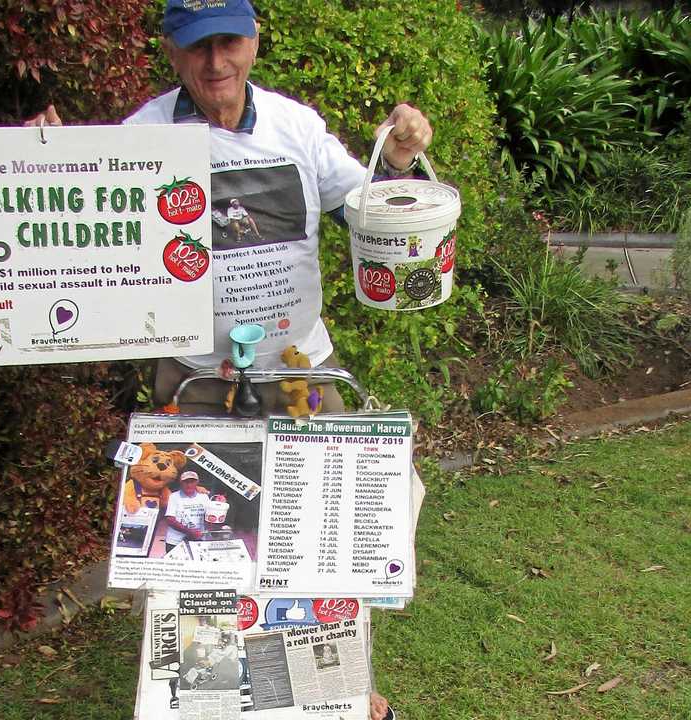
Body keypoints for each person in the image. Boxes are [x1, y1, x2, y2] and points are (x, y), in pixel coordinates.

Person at [28, 0, 431, 419]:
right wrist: (53, 169)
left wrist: (396, 163)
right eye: (199, 45)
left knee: (335, 482)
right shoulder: (141, 137)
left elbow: (368, 217)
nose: (216, 62)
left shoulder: (298, 126)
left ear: (253, 42)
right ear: (172, 53)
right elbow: (91, 238)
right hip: (195, 378)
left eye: (229, 42)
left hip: (298, 371)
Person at [164, 470, 210, 554]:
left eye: (192, 482)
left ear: (197, 482)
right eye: (186, 482)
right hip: (175, 541)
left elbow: (210, 516)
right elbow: (170, 519)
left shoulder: (204, 497)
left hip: (199, 539)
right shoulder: (174, 496)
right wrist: (189, 531)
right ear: (181, 483)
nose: (189, 485)